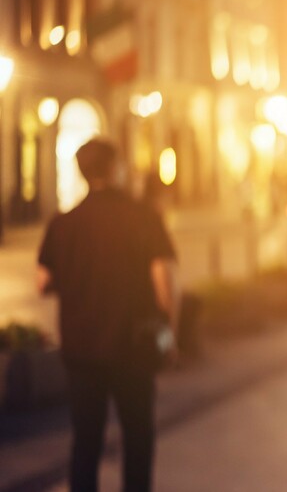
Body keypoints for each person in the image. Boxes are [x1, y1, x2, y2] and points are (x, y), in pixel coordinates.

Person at [37, 139, 177, 492]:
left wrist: (76, 281)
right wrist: (169, 333)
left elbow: (43, 281)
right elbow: (163, 277)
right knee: (138, 436)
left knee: (86, 440)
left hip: (81, 348)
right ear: (115, 167)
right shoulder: (143, 216)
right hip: (134, 345)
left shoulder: (64, 223)